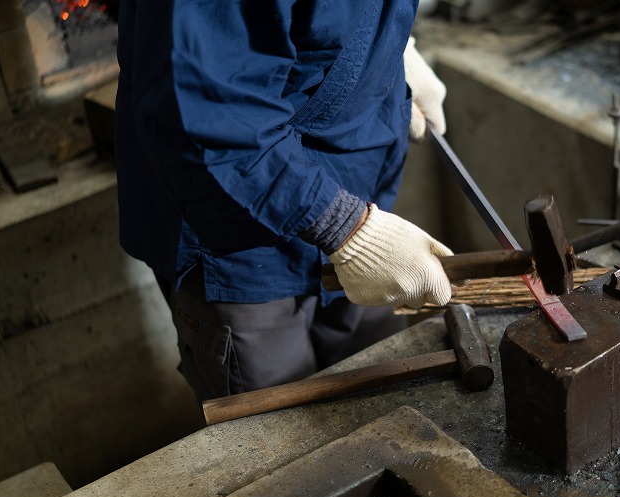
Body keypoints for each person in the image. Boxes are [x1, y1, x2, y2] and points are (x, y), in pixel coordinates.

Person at [114, 1, 453, 403]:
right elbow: (211, 113)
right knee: (283, 440)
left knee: (378, 403)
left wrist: (391, 47)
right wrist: (349, 230)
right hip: (238, 233)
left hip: (358, 182)